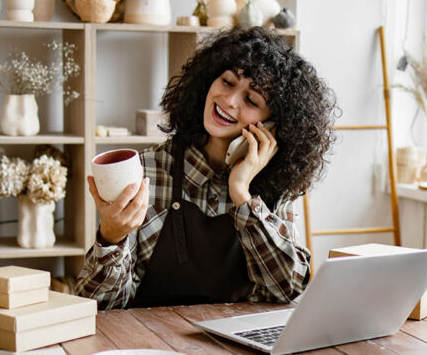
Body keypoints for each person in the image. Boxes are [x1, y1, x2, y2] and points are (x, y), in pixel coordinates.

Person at [76, 26, 338, 310]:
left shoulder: (275, 188)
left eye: (251, 100)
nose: (228, 100)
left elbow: (287, 288)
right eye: (227, 82)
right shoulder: (145, 171)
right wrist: (111, 238)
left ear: (273, 128)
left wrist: (241, 193)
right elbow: (99, 307)